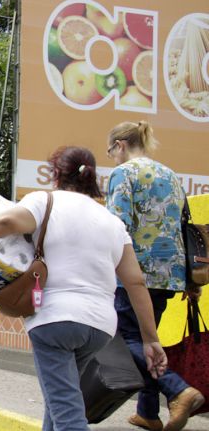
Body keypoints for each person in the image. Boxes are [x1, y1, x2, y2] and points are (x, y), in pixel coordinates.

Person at [0, 146, 167, 431]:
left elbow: (7, 221)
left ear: (56, 173)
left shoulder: (44, 201)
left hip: (55, 320)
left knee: (67, 412)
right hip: (100, 328)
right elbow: (135, 282)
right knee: (60, 400)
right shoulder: (113, 222)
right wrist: (150, 340)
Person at [106, 121, 205, 431]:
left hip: (135, 273)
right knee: (148, 338)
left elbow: (115, 226)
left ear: (121, 145)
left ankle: (178, 390)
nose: (112, 157)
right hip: (169, 275)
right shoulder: (171, 175)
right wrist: (190, 280)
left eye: (111, 151)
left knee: (127, 340)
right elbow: (182, 226)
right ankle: (148, 412)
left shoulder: (124, 174)